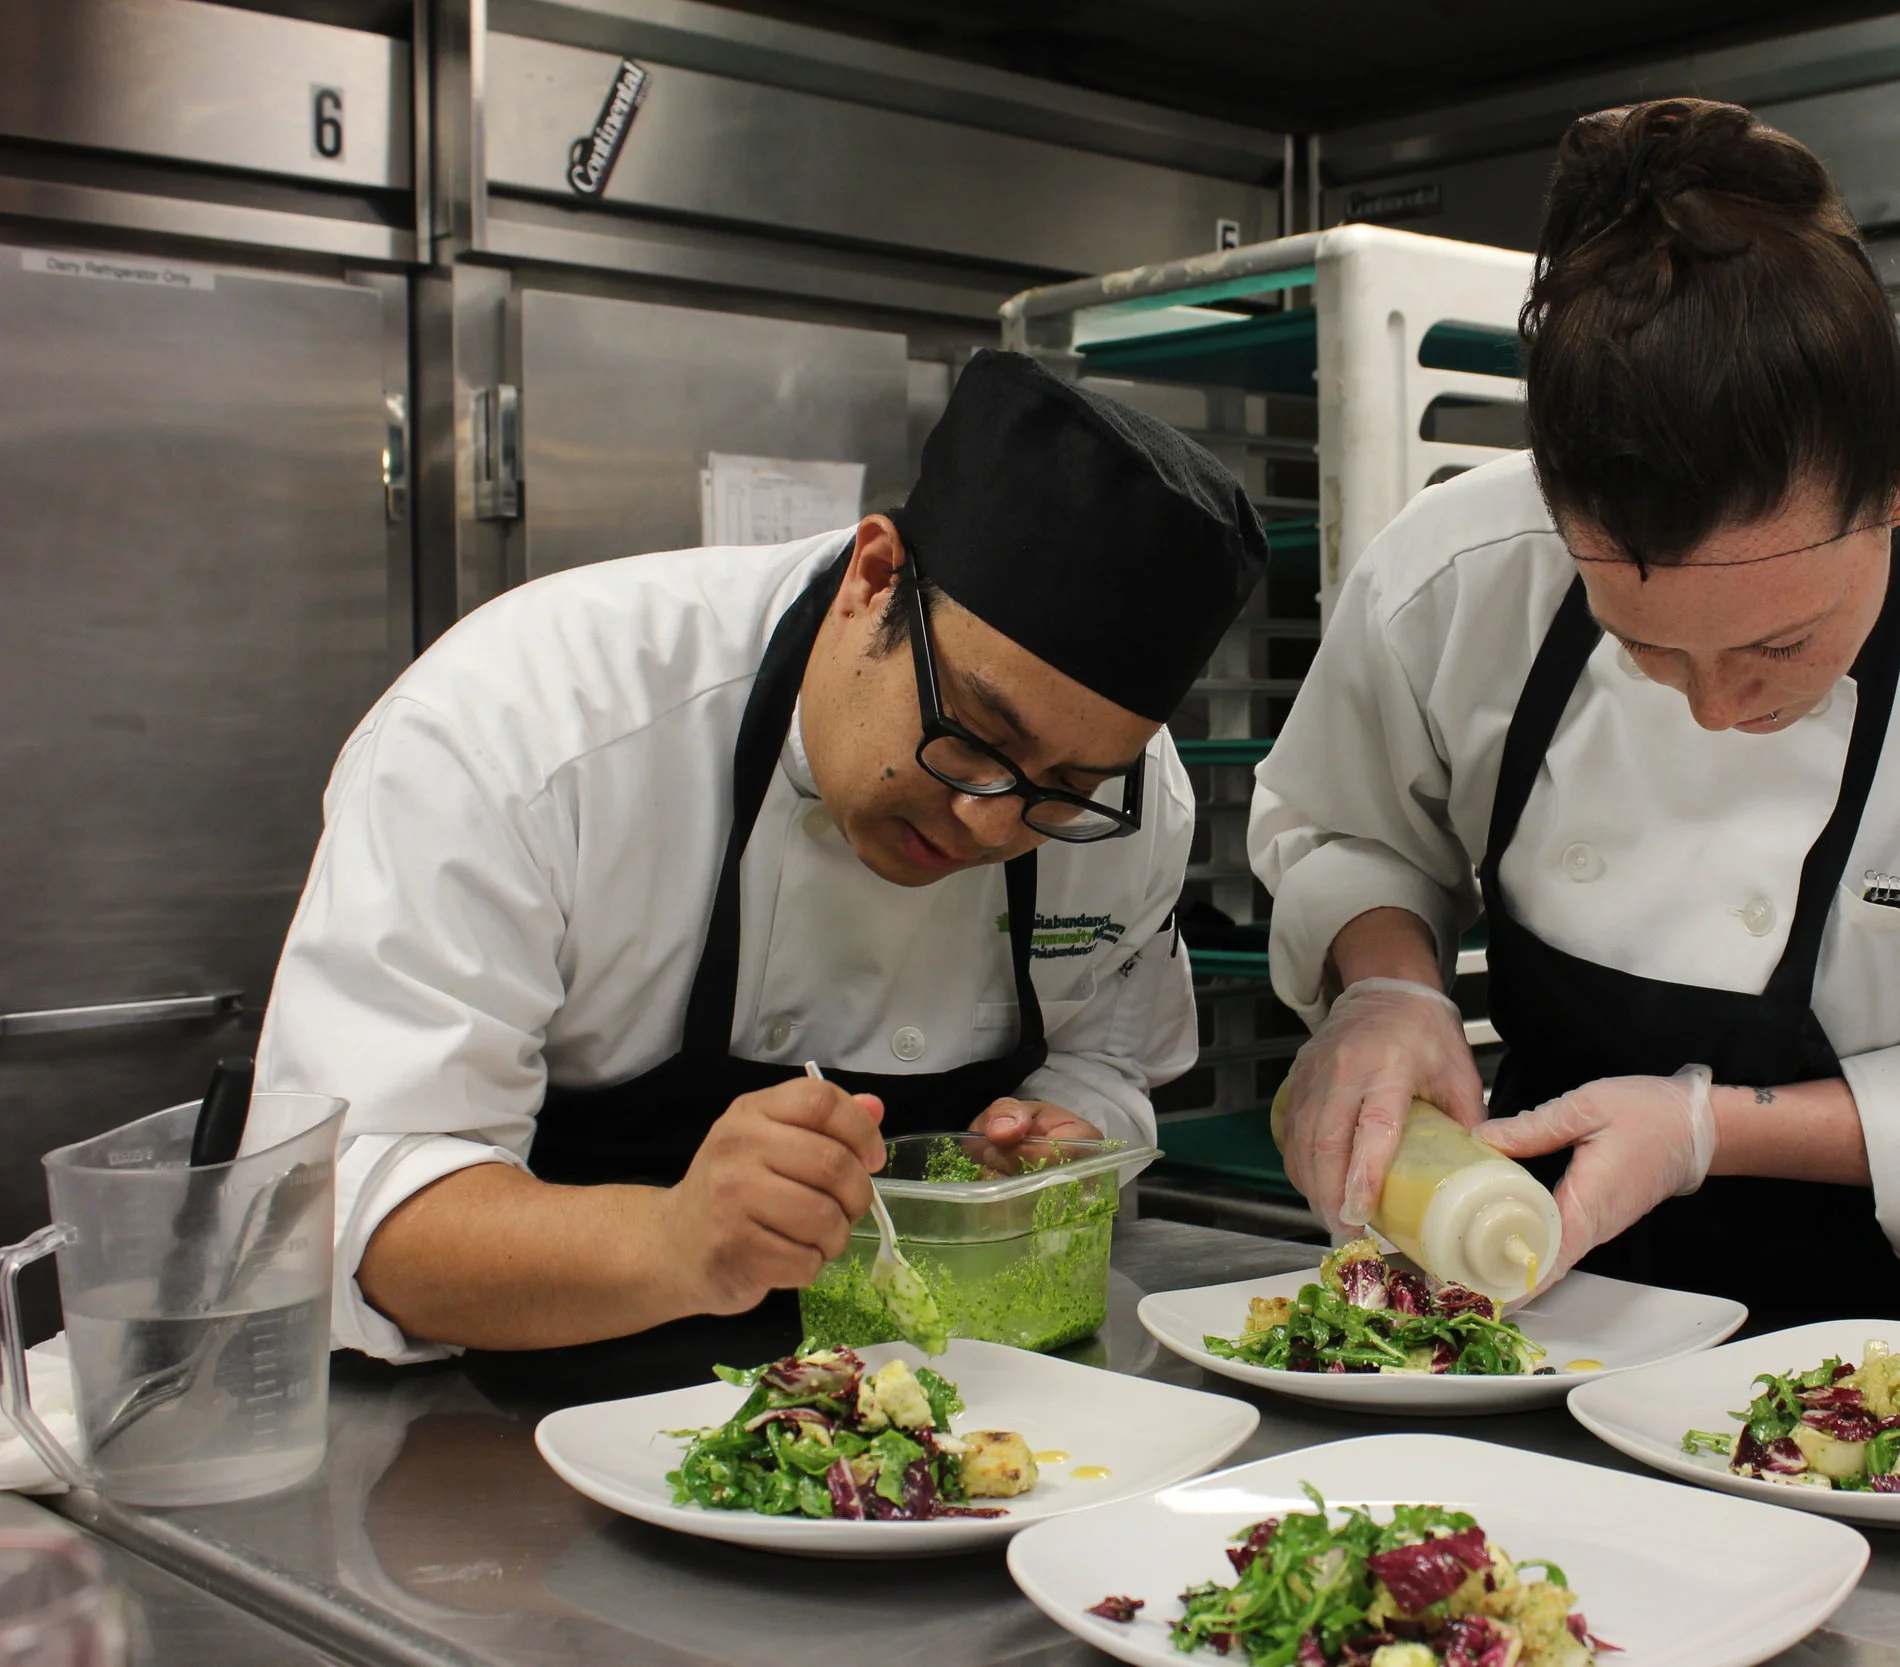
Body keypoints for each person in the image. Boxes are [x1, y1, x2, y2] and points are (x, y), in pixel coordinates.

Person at [1249, 99, 1900, 1348]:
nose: (1717, 709)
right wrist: (1386, 989)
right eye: (1646, 647)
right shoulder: (1453, 573)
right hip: (1544, 1296)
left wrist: (1706, 1127)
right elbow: (1347, 828)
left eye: (1779, 644)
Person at [255, 350, 1266, 1361]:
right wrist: (670, 1240)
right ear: (872, 581)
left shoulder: (1133, 792)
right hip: (513, 1427)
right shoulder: (525, 728)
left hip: (958, 1410)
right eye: (973, 737)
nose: (990, 824)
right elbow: (358, 1209)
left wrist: (1056, 1141)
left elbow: (1106, 1052)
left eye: (1066, 787)